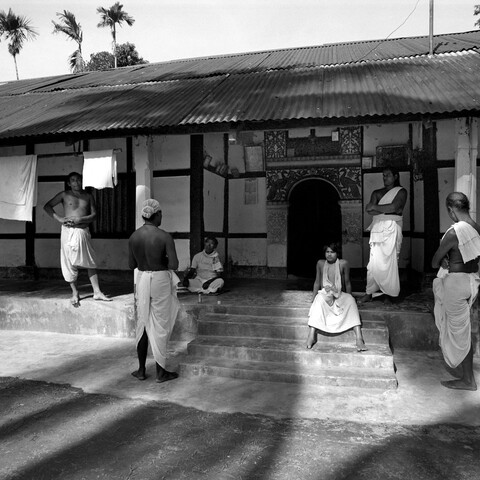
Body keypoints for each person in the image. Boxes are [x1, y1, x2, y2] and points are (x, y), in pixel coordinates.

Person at [432, 192, 480, 391]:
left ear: (451, 210)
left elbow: (434, 261)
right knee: (463, 329)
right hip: (471, 282)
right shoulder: (476, 227)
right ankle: (467, 378)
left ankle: (468, 380)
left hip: (456, 284)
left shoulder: (454, 232)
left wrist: (444, 260)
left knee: (459, 333)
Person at [128, 199, 181, 383]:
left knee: (142, 322)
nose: (161, 218)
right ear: (156, 214)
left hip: (142, 278)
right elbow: (174, 264)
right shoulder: (164, 236)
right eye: (161, 215)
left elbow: (131, 264)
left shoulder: (134, 237)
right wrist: (161, 261)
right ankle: (161, 372)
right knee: (160, 323)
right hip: (159, 279)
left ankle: (141, 370)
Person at [43, 171, 111, 307]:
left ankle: (97, 291)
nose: (76, 183)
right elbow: (47, 206)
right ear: (69, 183)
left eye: (79, 180)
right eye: (73, 180)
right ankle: (75, 293)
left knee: (90, 261)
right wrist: (60, 219)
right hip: (68, 231)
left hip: (83, 231)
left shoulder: (88, 196)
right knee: (68, 262)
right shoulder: (64, 194)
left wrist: (81, 219)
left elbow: (94, 215)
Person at [306, 242, 367, 352]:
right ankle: (311, 336)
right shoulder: (320, 263)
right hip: (325, 293)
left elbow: (347, 283)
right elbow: (316, 282)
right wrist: (313, 298)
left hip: (339, 294)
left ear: (337, 253)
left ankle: (359, 338)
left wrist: (350, 296)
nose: (329, 254)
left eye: (332, 252)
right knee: (318, 300)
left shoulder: (343, 263)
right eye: (327, 252)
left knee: (351, 301)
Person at [359, 166, 407, 303]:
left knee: (391, 261)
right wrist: (381, 209)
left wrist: (376, 207)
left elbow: (395, 207)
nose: (385, 177)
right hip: (378, 227)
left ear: (396, 176)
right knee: (373, 263)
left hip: (392, 227)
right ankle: (369, 292)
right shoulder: (377, 192)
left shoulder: (401, 191)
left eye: (388, 175)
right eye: (383, 175)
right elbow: (369, 210)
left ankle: (388, 294)